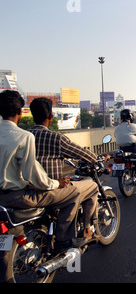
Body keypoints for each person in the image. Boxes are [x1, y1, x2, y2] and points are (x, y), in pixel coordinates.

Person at [0, 90, 86, 252]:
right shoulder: (23, 136)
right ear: (19, 112)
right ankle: (64, 240)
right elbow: (34, 175)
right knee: (73, 192)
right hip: (19, 197)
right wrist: (56, 183)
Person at [29, 97, 107, 241]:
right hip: (50, 189)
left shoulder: (26, 136)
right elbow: (81, 153)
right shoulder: (55, 138)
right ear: (51, 116)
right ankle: (84, 231)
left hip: (28, 190)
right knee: (91, 186)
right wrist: (99, 158)